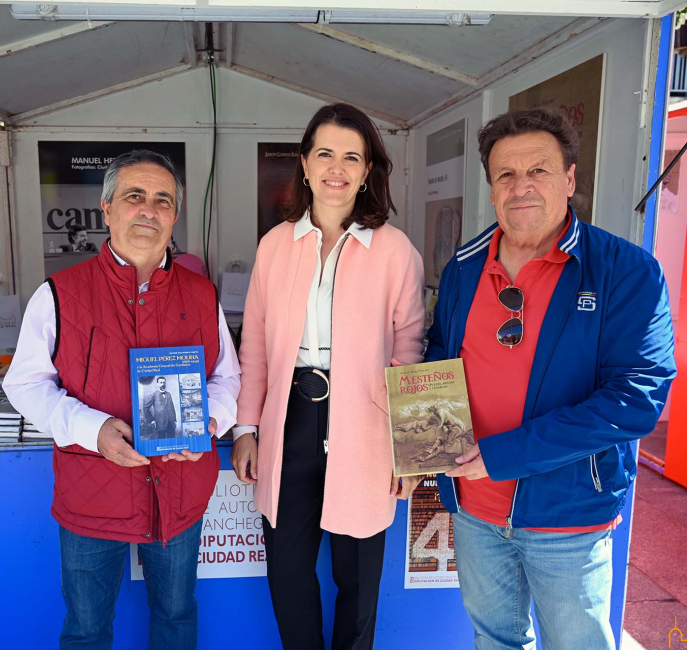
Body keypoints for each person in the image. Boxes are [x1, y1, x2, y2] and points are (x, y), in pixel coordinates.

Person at [426, 108, 676, 649]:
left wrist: (505, 454)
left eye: (538, 170)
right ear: (491, 189)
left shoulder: (625, 271)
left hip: (569, 517)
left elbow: (637, 398)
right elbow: (442, 358)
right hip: (473, 509)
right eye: (506, 175)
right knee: (494, 639)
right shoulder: (464, 267)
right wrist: (419, 412)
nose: (522, 188)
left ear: (569, 178)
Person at [3, 149, 241, 650]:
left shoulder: (202, 294)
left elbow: (227, 376)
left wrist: (208, 426)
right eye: (135, 196)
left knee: (176, 617)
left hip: (178, 490)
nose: (148, 210)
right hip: (93, 493)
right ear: (107, 208)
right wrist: (92, 429)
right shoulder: (59, 293)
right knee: (87, 630)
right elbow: (24, 384)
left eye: (162, 200)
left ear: (175, 216)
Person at [231, 103, 427, 650]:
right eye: (325, 154)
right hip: (290, 419)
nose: (336, 168)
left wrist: (411, 452)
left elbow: (410, 352)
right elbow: (257, 347)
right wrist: (246, 428)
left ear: (367, 171)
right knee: (288, 573)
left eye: (351, 157)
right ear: (305, 162)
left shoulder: (394, 251)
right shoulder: (275, 246)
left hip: (366, 424)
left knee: (358, 579)